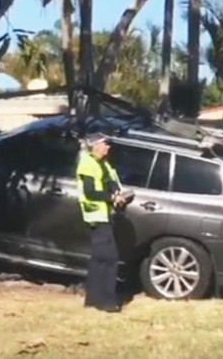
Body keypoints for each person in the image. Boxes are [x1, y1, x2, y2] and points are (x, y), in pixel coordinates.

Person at [75, 132, 128, 312]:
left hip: (105, 215)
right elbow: (90, 192)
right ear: (95, 146)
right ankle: (106, 301)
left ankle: (93, 298)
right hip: (96, 216)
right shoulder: (87, 164)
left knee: (99, 259)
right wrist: (111, 198)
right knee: (110, 258)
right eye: (105, 144)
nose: (108, 147)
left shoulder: (103, 164)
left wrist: (118, 194)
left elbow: (111, 181)